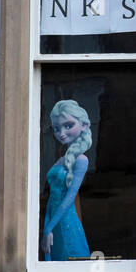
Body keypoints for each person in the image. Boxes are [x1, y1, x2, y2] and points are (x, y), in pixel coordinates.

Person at [44, 99, 92, 261]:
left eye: (68, 126)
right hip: (53, 219)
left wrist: (49, 227)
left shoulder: (81, 160)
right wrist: (47, 225)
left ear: (83, 125)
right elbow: (52, 196)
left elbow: (69, 198)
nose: (61, 133)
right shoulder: (60, 160)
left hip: (66, 220)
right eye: (57, 128)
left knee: (69, 255)